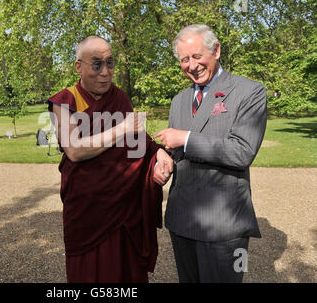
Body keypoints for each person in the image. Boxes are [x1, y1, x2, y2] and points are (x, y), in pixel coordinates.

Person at [48, 36, 173, 283]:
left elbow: (138, 141)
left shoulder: (119, 97)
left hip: (124, 208)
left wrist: (157, 151)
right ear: (78, 67)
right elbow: (74, 149)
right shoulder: (65, 101)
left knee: (126, 271)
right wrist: (122, 128)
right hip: (87, 210)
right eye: (96, 64)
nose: (105, 72)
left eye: (110, 63)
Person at [154, 24, 267, 283]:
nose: (191, 66)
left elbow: (242, 151)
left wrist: (186, 138)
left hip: (225, 224)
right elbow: (176, 151)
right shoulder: (179, 100)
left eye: (196, 56)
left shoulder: (250, 91)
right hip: (182, 218)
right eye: (184, 59)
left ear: (216, 50)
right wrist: (163, 160)